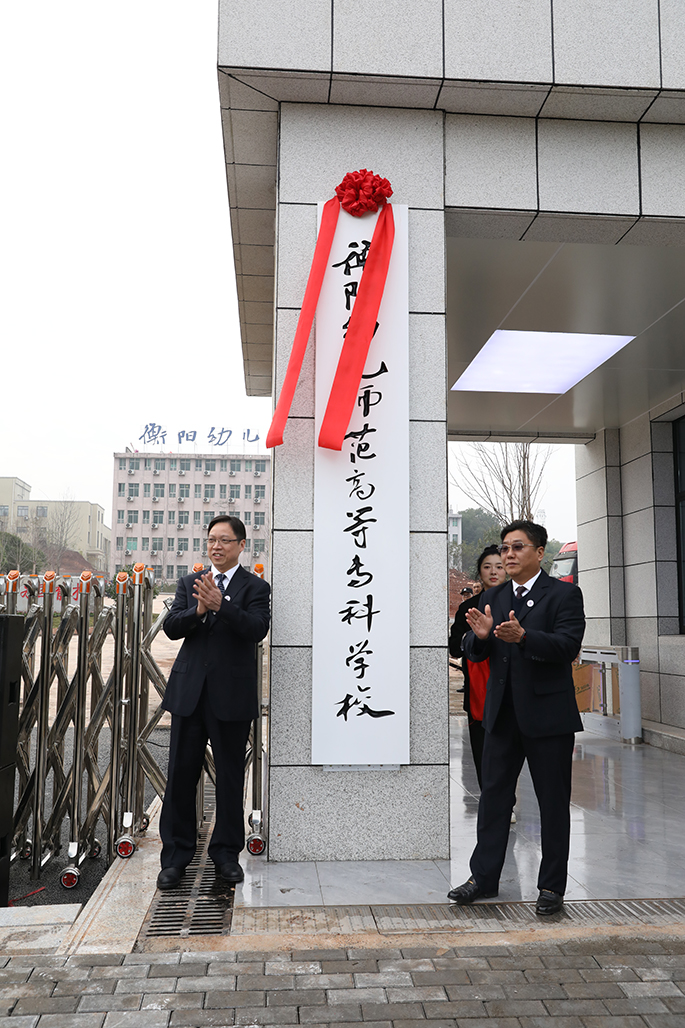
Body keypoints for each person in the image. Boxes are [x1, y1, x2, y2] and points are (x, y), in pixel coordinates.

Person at [447, 520, 585, 916]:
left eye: (517, 547)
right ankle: (483, 878)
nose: (508, 554)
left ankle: (551, 887)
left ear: (539, 553)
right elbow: (471, 651)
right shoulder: (493, 595)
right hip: (502, 717)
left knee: (552, 803)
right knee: (493, 799)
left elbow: (567, 646)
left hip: (548, 717)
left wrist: (524, 637)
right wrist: (484, 635)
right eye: (505, 548)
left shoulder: (563, 595)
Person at [156, 515, 271, 890]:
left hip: (231, 697)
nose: (216, 546)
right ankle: (175, 858)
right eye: (211, 540)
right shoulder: (190, 583)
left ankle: (225, 855)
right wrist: (200, 610)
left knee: (229, 779)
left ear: (240, 545)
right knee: (180, 778)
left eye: (224, 540)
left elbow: (257, 630)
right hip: (189, 695)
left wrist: (222, 605)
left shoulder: (256, 587)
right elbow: (172, 628)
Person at [450, 546, 507, 787]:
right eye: (487, 567)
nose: (493, 572)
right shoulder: (468, 608)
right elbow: (454, 648)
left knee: (509, 751)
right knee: (483, 750)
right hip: (479, 693)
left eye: (499, 566)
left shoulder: (518, 604)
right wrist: (473, 639)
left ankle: (507, 797)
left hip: (514, 689)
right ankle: (493, 800)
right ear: (479, 573)